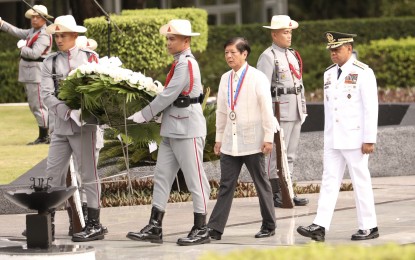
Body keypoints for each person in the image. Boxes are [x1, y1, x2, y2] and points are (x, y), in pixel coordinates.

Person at [126, 19, 210, 246]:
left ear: (186, 40)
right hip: (172, 127)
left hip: (188, 128)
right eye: (167, 38)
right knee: (162, 177)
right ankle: (155, 226)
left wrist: (145, 113)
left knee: (195, 180)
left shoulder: (186, 64)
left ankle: (202, 227)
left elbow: (169, 94)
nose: (168, 42)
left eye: (172, 39)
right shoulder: (178, 63)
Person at [297, 31, 379, 242]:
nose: (333, 53)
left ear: (349, 49)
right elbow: (330, 108)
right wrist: (328, 137)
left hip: (355, 137)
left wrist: (369, 138)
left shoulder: (363, 72)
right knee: (329, 180)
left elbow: (371, 107)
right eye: (331, 50)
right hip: (334, 138)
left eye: (337, 49)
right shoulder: (329, 73)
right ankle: (320, 225)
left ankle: (369, 226)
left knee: (360, 181)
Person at [41, 15, 105, 242]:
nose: (59, 39)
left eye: (63, 35)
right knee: (51, 175)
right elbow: (46, 95)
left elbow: (100, 88)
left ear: (75, 36)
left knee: (88, 175)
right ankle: (45, 224)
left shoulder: (91, 58)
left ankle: (94, 224)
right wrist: (67, 112)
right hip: (61, 126)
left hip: (84, 126)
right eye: (57, 36)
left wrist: (86, 110)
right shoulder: (49, 62)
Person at [207, 37, 276, 240]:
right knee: (226, 185)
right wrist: (219, 138)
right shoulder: (224, 78)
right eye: (226, 52)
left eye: (233, 52)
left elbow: (266, 109)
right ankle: (215, 228)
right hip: (230, 142)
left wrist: (268, 137)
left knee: (261, 183)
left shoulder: (257, 77)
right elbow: (221, 111)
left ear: (244, 54)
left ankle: (269, 225)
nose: (228, 56)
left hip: (253, 141)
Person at [257, 15, 309, 208]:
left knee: (290, 155)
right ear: (274, 34)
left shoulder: (292, 55)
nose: (289, 36)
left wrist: (302, 108)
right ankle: (275, 193)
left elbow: (299, 85)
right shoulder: (268, 56)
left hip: (294, 109)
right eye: (285, 32)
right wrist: (268, 117)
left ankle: (288, 191)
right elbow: (261, 90)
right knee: (275, 156)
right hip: (278, 111)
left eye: (290, 32)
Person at [0, 5, 53, 145]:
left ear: (44, 19)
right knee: (35, 104)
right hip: (30, 72)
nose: (34, 19)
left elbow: (35, 54)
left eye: (37, 17)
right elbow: (17, 32)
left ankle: (45, 136)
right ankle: (46, 134)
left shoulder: (44, 34)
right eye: (33, 17)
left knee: (38, 105)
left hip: (36, 72)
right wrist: (2, 23)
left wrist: (22, 48)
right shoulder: (33, 31)